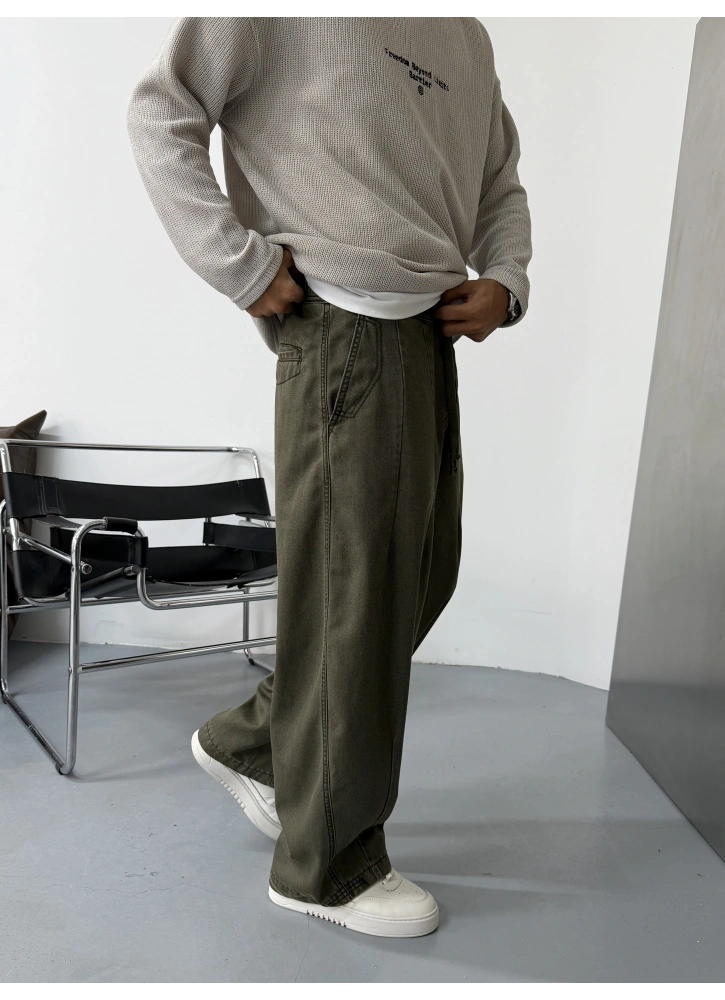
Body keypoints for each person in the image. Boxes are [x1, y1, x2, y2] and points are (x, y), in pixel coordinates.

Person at [127, 15, 532, 939]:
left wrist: (506, 278)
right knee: (358, 604)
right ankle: (327, 866)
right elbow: (160, 109)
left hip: (427, 332)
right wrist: (237, 265)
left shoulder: (464, 34)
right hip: (343, 325)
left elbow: (498, 178)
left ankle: (256, 745)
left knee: (415, 582)